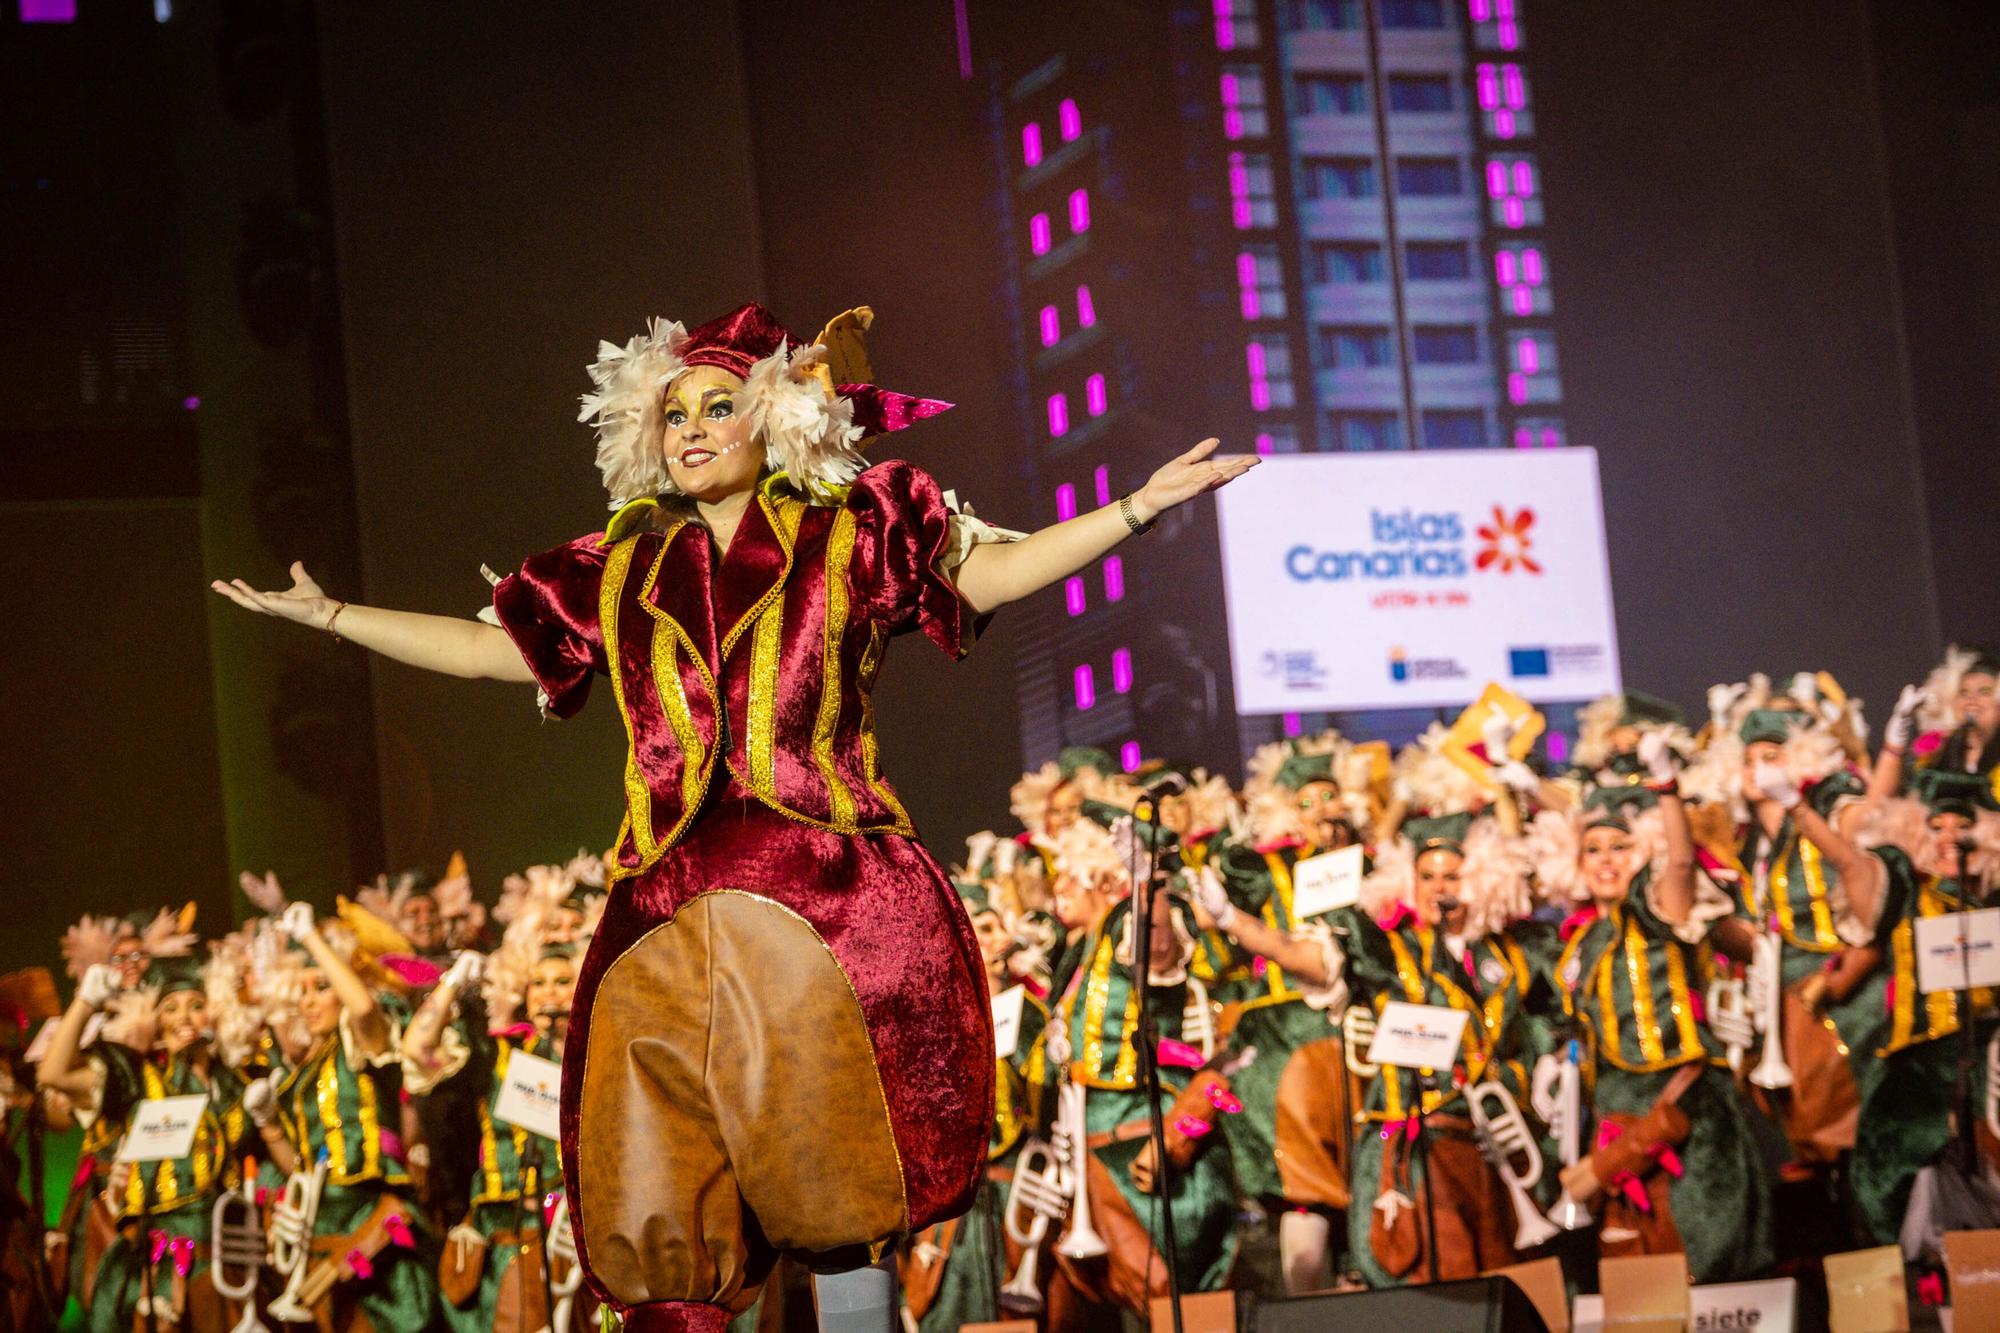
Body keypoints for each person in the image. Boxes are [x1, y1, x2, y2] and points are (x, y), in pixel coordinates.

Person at [210, 299, 1257, 1333]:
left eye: (718, 406)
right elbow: (494, 651)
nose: (693, 429)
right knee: (664, 1209)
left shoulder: (852, 532)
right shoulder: (620, 566)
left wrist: (1132, 509)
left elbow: (990, 572)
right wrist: (334, 618)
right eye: (675, 415)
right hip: (661, 913)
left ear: (775, 420)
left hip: (819, 900)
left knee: (836, 1185)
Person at [1527, 742, 1774, 1282]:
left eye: (1620, 846)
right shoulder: (1575, 944)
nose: (1607, 860)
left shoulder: (1660, 913)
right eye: (1594, 849)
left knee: (1705, 1263)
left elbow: (1683, 863)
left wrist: (1666, 789)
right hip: (1616, 1115)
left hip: (1687, 1107)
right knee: (1640, 1272)